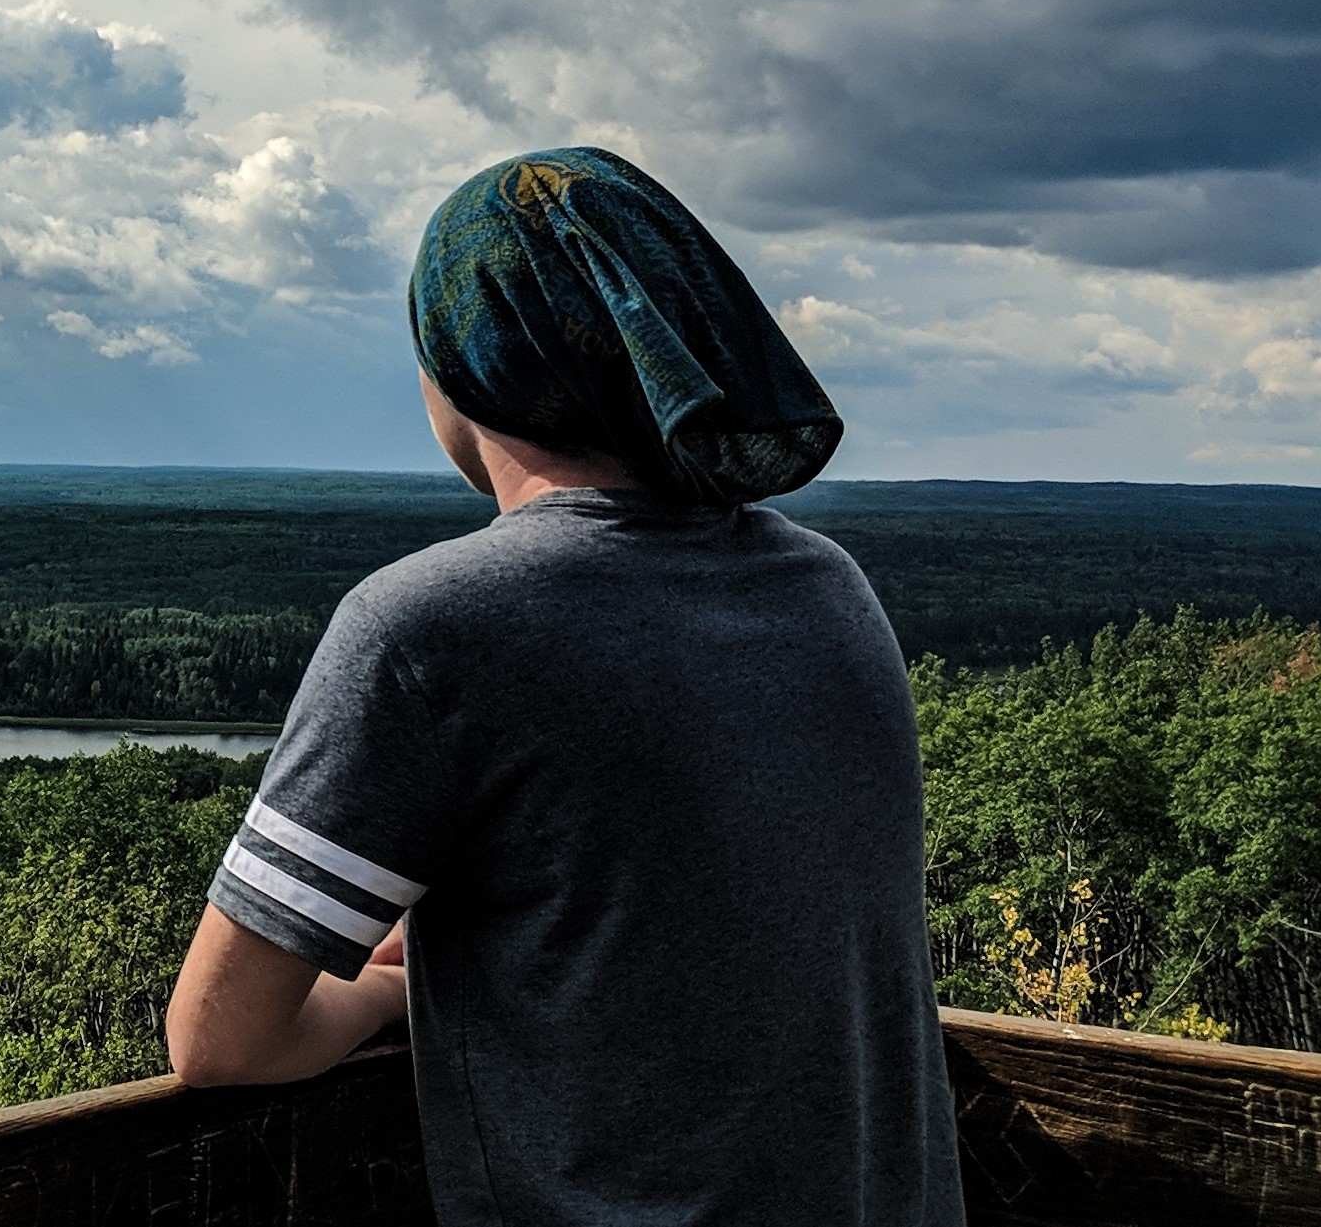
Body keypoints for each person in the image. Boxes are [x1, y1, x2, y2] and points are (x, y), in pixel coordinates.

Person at [162, 147, 961, 1227]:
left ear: (467, 367)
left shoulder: (427, 627)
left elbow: (219, 1039)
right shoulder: (827, 586)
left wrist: (393, 990)